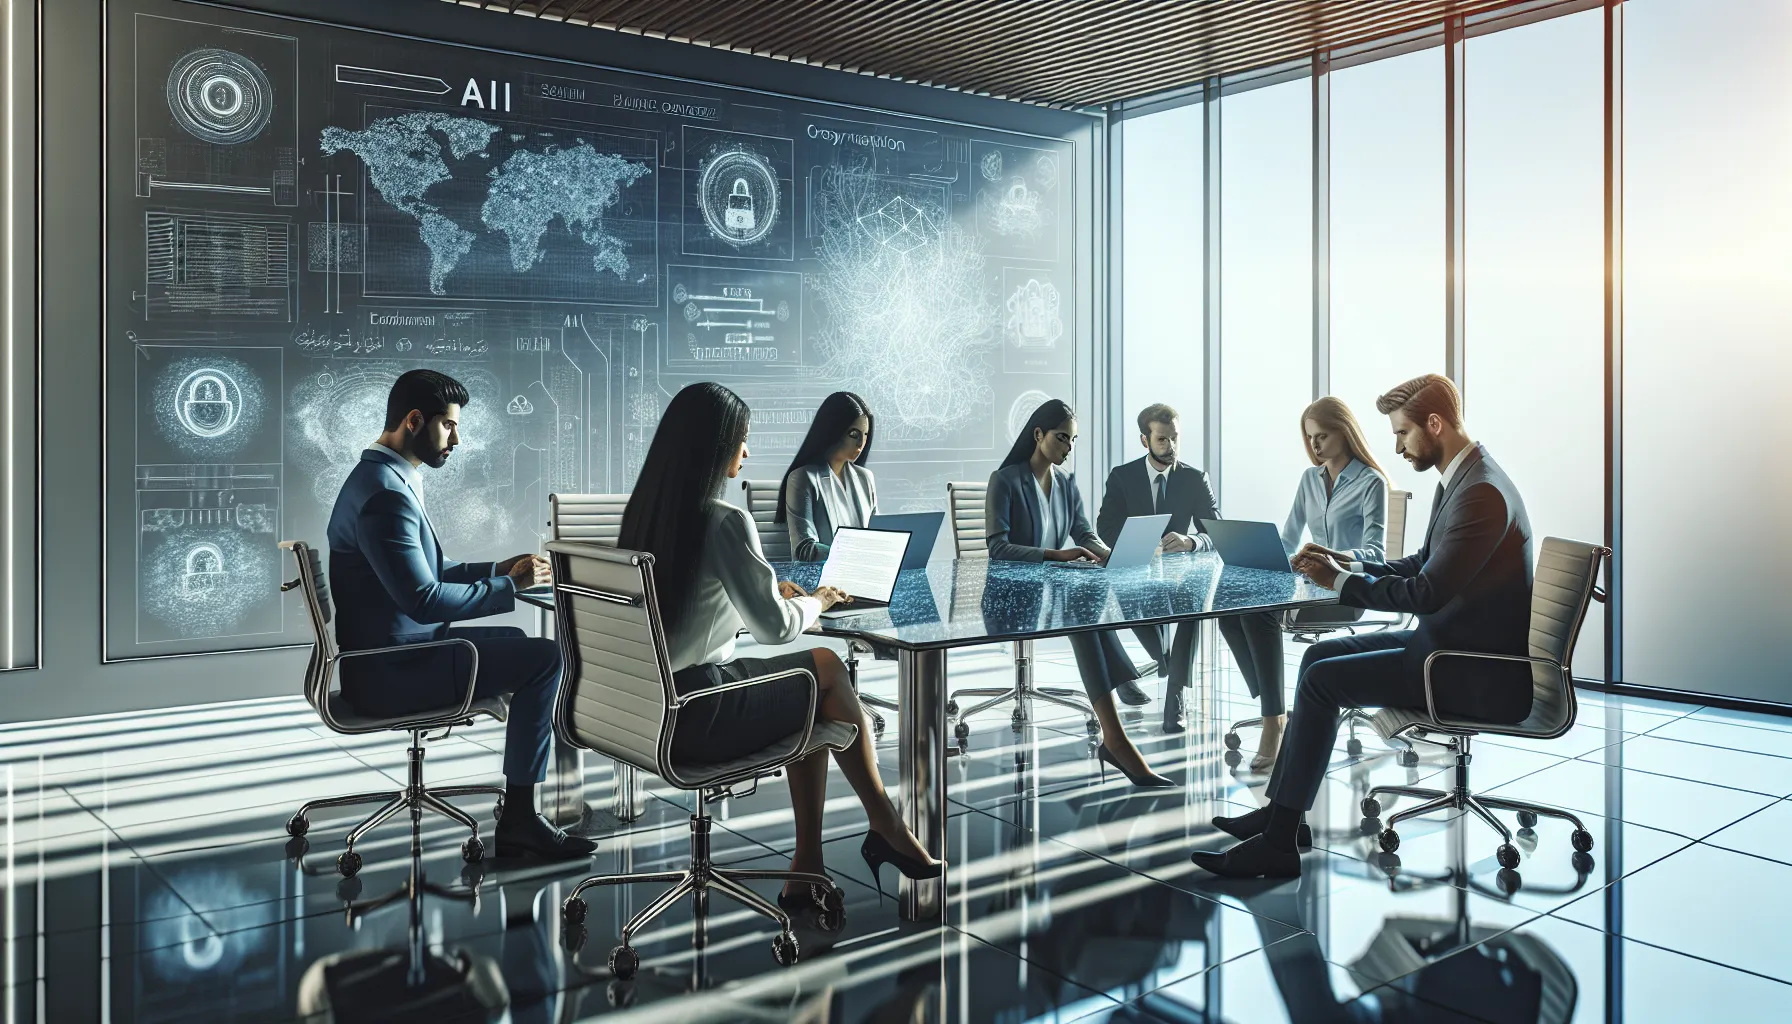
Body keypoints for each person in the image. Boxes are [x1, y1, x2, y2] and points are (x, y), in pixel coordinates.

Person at [1192, 373, 1534, 878]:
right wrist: (1346, 565)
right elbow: (1422, 562)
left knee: (1324, 681)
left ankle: (1279, 845)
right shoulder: (1464, 477)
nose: (1395, 447)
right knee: (1316, 657)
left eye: (1401, 433)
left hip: (1469, 669)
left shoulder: (1480, 493)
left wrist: (1339, 582)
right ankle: (1284, 815)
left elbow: (1426, 593)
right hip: (1445, 645)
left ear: (1434, 424)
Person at [619, 382, 940, 905]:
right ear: (715, 445)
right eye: (742, 441)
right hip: (694, 713)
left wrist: (769, 592)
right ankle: (883, 821)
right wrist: (818, 601)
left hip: (644, 708)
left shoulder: (644, 516)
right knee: (826, 669)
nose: (747, 453)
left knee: (808, 687)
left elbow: (689, 610)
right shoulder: (723, 520)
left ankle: (808, 864)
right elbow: (775, 629)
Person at [327, 369, 595, 861]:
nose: (457, 438)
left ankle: (522, 792)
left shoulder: (382, 479)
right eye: (449, 426)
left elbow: (427, 571)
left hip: (387, 656)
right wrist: (509, 585)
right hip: (393, 670)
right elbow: (423, 598)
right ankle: (519, 819)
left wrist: (498, 569)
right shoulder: (386, 496)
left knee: (517, 640)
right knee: (548, 658)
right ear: (414, 420)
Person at [986, 398, 1172, 788]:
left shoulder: (1067, 484)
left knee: (1089, 599)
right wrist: (1055, 554)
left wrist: (1109, 555)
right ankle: (1119, 713)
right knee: (1084, 610)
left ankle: (1117, 734)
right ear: (1038, 435)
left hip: (1056, 593)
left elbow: (1084, 534)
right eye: (1061, 438)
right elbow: (998, 548)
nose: (1068, 447)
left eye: (1073, 440)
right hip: (1012, 596)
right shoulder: (1005, 480)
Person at [1220, 397, 1390, 770]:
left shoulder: (1370, 482)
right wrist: (1268, 558)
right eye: (1310, 437)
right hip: (1307, 586)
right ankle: (1271, 703)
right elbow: (1289, 537)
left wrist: (1330, 558)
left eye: (1322, 435)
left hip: (1346, 589)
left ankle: (1273, 722)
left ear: (1344, 432)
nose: (1314, 444)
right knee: (1229, 609)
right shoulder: (1308, 480)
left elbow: (1377, 552)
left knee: (1259, 613)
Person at [1095, 403, 1282, 738]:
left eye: (1175, 438)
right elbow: (1105, 527)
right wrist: (1137, 541)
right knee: (1124, 595)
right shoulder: (1122, 477)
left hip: (1182, 572)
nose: (1171, 446)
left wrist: (1191, 541)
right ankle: (1163, 665)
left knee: (1193, 609)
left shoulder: (1195, 479)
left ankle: (1175, 696)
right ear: (1145, 440)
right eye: (1163, 440)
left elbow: (1215, 528)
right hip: (1136, 566)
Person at [778, 391, 878, 562]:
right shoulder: (803, 478)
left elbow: (878, 533)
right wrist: (851, 556)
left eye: (865, 435)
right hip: (824, 581)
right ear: (834, 430)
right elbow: (804, 548)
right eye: (854, 434)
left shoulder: (865, 478)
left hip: (863, 575)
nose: (861, 444)